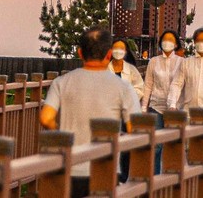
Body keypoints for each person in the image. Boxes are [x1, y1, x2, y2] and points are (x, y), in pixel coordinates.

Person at [40, 25, 141, 197]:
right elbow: (134, 128)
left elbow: (46, 118)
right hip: (106, 167)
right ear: (109, 54)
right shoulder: (123, 87)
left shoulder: (62, 82)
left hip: (71, 164)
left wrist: (64, 133)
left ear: (80, 53)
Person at [144, 30, 185, 173]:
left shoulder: (182, 62)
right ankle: (154, 177)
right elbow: (148, 85)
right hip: (156, 106)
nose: (167, 42)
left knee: (174, 144)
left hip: (176, 108)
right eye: (164, 39)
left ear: (175, 44)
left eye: (170, 39)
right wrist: (144, 107)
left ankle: (173, 177)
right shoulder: (153, 62)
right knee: (156, 145)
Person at [110, 39, 146, 105]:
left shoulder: (131, 69)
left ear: (126, 51)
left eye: (121, 49)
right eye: (115, 48)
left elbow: (140, 88)